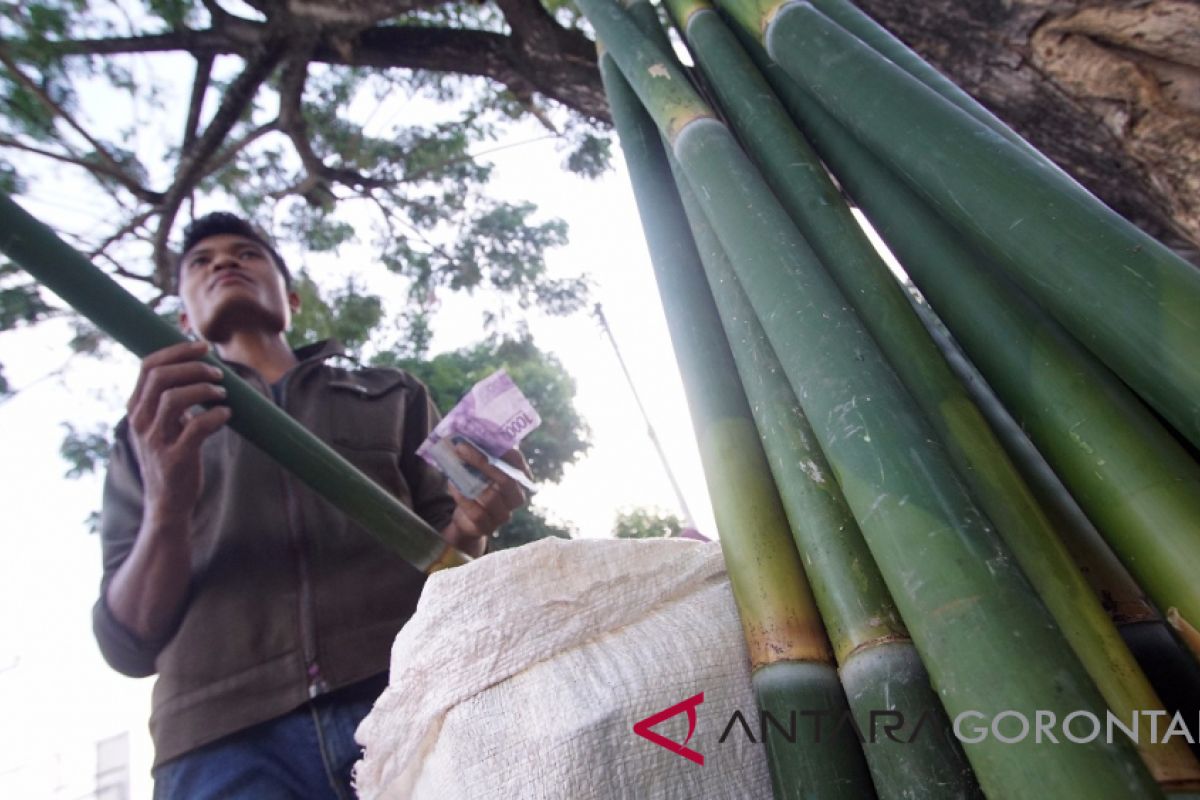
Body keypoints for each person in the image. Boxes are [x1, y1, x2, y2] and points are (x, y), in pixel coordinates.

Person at [92, 212, 530, 799]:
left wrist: (476, 522)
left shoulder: (390, 394)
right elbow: (127, 642)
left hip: (410, 696)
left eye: (247, 254)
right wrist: (168, 507)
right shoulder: (149, 430)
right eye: (202, 261)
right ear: (182, 320)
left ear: (291, 298)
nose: (224, 261)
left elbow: (451, 556)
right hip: (221, 741)